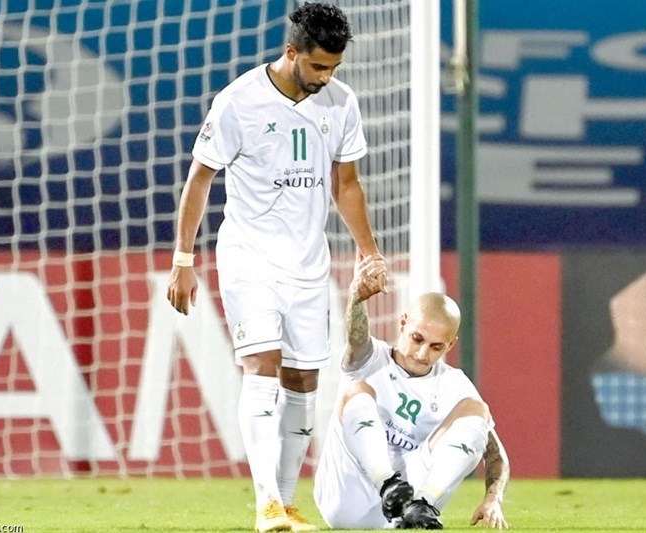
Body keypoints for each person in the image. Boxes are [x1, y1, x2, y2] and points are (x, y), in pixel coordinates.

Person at [166, 3, 386, 532]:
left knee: (304, 379)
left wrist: (370, 252)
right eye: (318, 66)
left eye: (334, 67)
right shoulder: (238, 102)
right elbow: (200, 178)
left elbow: (346, 185)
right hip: (250, 256)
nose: (326, 77)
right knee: (260, 365)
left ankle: (285, 505)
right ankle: (266, 504)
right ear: (292, 52)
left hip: (309, 264)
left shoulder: (341, 102)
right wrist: (183, 259)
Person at [314, 253, 510, 530]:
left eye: (436, 347)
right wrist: (356, 299)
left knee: (476, 410)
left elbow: (495, 454)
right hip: (348, 496)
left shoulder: (454, 385)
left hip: (409, 501)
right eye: (418, 339)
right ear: (403, 322)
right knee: (355, 390)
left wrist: (493, 499)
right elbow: (356, 338)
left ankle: (423, 506)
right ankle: (387, 484)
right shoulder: (370, 358)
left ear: (451, 345)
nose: (422, 354)